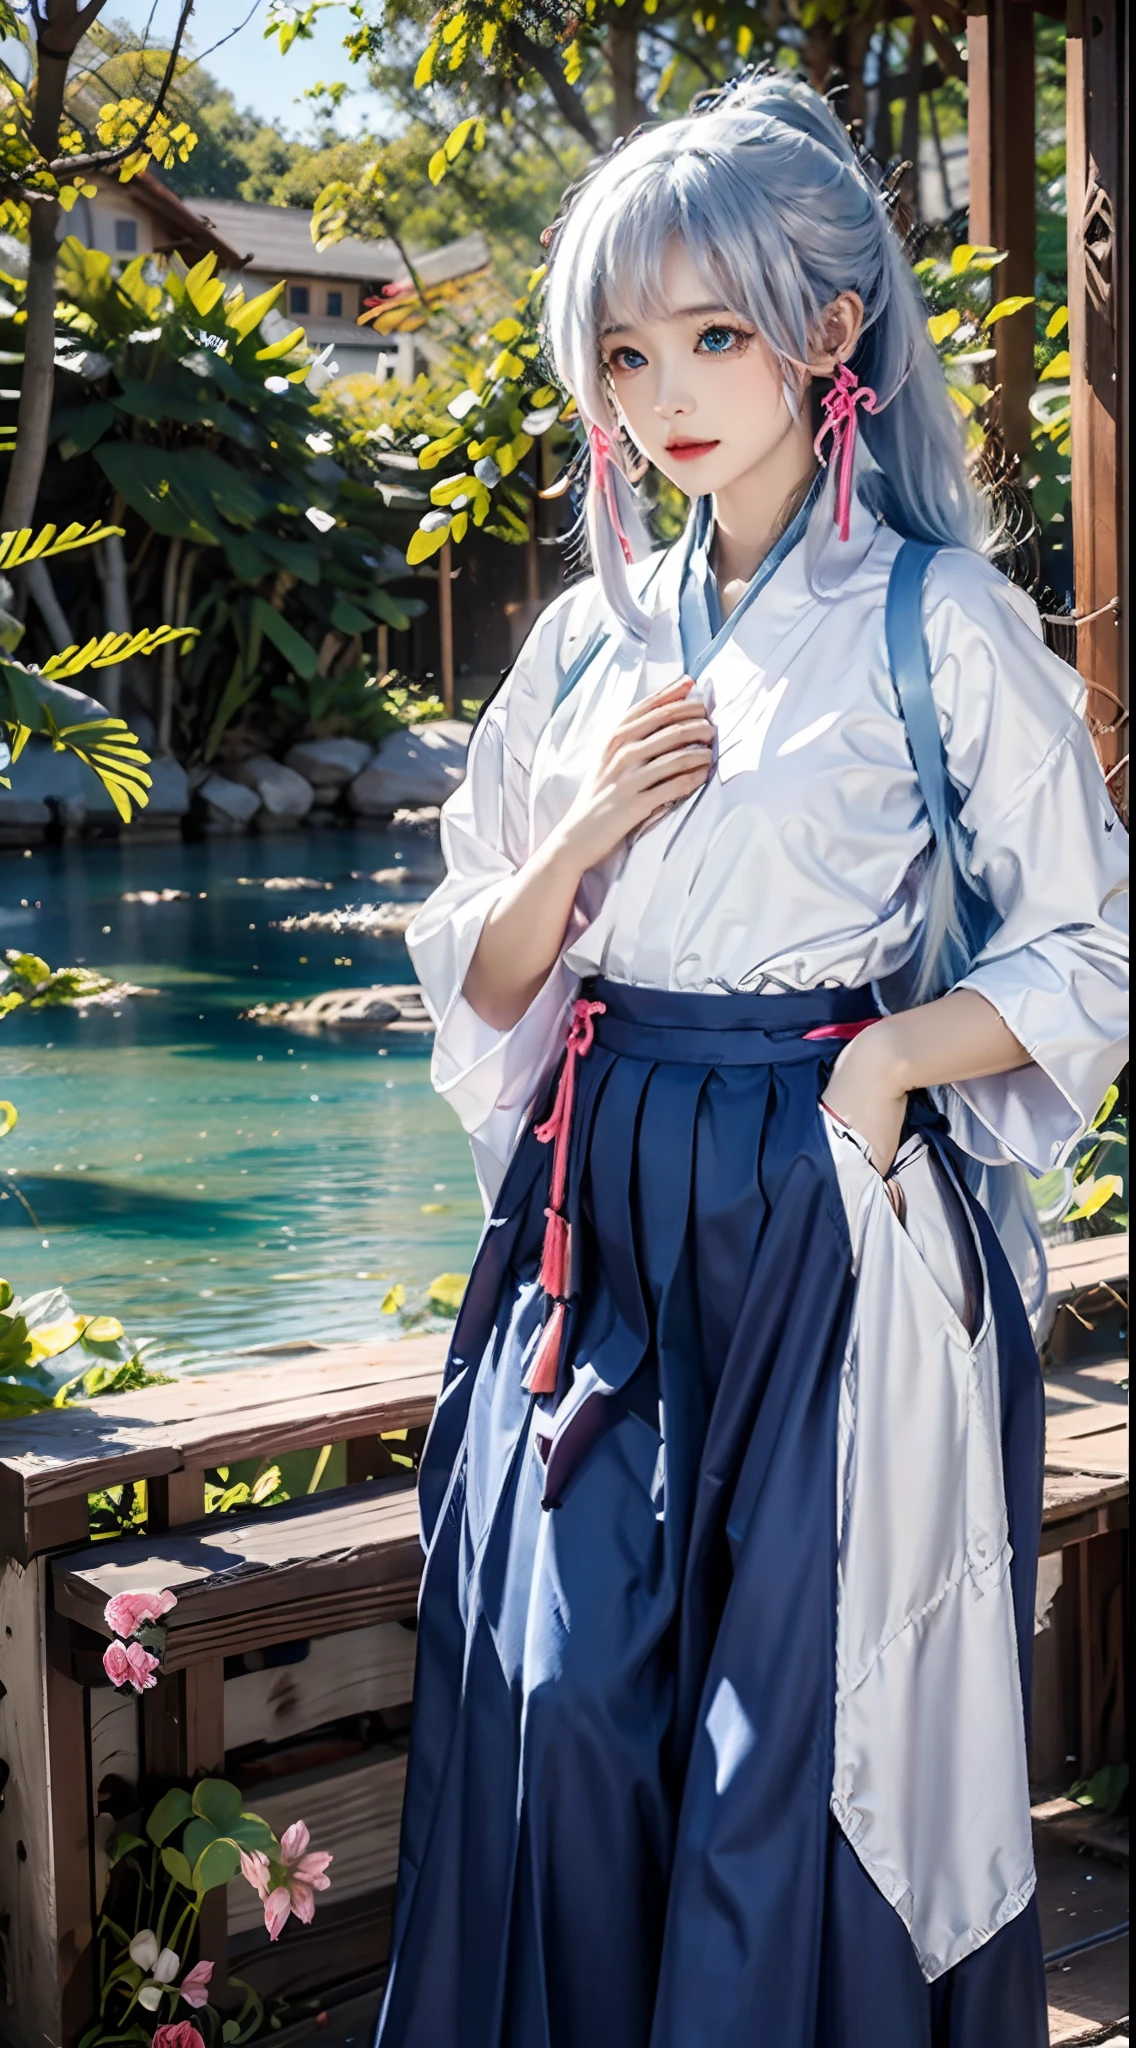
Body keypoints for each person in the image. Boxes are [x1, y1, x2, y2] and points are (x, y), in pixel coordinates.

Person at [376, 74, 1129, 2048]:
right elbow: (484, 972)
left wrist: (888, 1062)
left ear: (829, 333)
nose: (666, 393)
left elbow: (1088, 950)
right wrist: (578, 835)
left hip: (826, 1217)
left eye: (714, 333)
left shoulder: (932, 622)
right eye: (627, 350)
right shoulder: (581, 645)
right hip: (594, 1219)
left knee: (788, 1753)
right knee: (556, 1699)